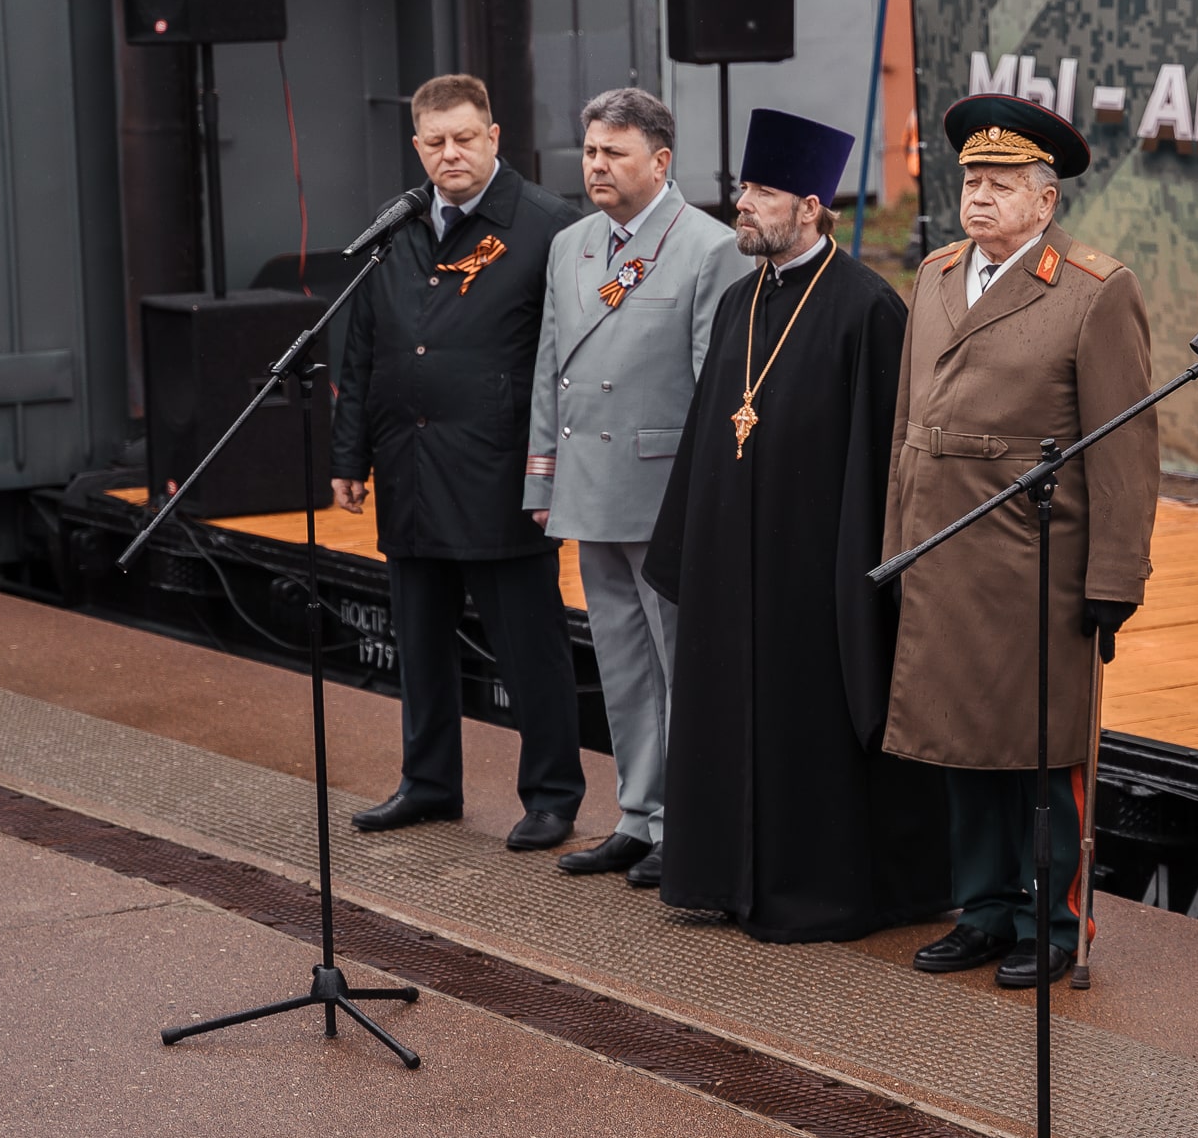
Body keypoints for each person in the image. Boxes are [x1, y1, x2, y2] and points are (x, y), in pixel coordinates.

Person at [644, 109, 949, 939]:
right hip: (733, 564)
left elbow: (883, 467)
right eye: (743, 187)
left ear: (812, 207)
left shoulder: (867, 309)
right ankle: (724, 879)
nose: (743, 203)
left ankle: (814, 891)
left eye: (764, 191)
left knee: (807, 733)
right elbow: (719, 425)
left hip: (816, 574)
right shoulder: (740, 299)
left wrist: (857, 580)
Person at [884, 95, 1156, 992]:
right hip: (942, 552)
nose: (980, 197)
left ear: (1047, 201)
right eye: (971, 180)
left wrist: (1114, 576)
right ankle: (984, 907)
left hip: (1032, 561)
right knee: (958, 744)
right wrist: (899, 539)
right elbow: (907, 428)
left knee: (1040, 753)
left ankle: (1053, 918)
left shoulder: (1092, 288)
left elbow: (1123, 446)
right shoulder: (932, 275)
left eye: (1002, 185)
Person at [331, 74, 588, 851]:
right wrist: (350, 452)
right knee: (419, 638)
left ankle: (551, 793)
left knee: (528, 643)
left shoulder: (548, 227)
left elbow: (567, 357)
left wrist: (552, 469)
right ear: (417, 146)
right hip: (409, 465)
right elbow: (364, 346)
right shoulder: (396, 227)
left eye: (464, 138)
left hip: (501, 471)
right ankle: (429, 781)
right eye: (435, 141)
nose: (450, 153)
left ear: (494, 136)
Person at [522, 88, 740, 884]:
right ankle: (638, 815)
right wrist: (542, 475)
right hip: (589, 481)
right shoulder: (572, 244)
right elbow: (552, 366)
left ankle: (686, 821)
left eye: (614, 152)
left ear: (661, 161)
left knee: (680, 663)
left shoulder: (709, 248)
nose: (597, 166)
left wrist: (705, 502)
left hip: (662, 488)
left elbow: (714, 390)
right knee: (619, 659)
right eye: (590, 152)